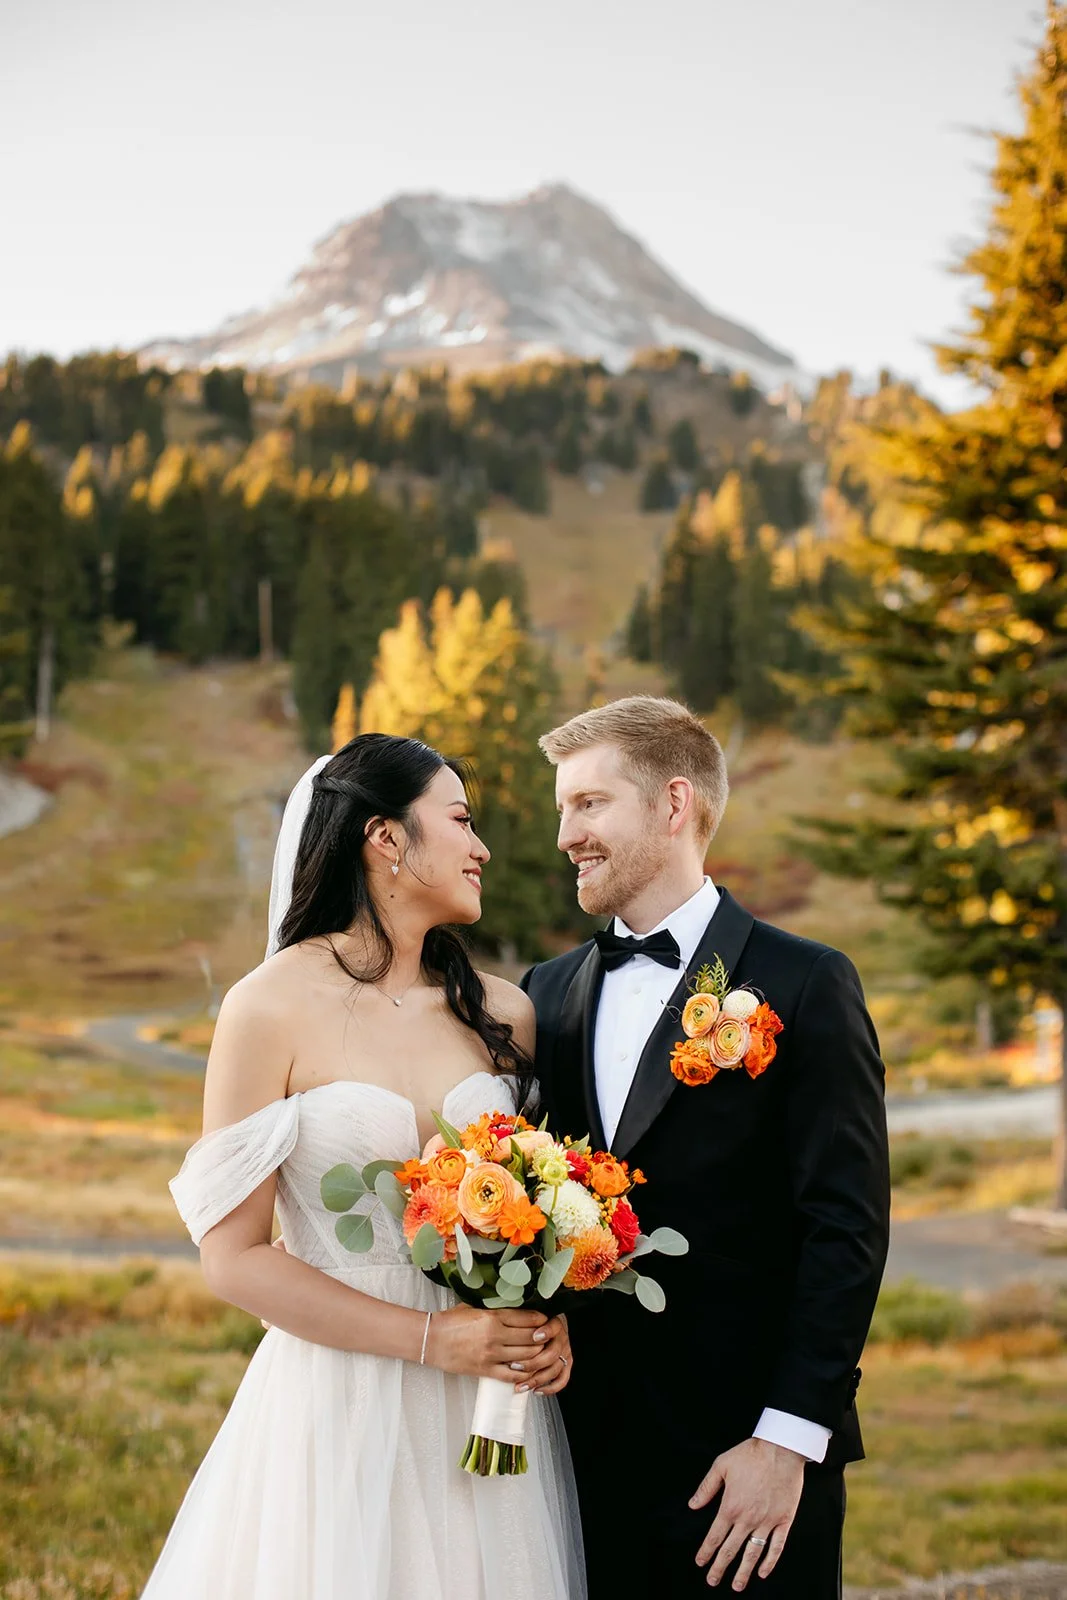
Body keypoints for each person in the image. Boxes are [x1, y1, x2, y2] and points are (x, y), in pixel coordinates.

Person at [141, 733, 584, 1600]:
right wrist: (430, 1340)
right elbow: (233, 1258)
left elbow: (536, 1214)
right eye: (459, 820)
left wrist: (542, 1323)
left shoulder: (504, 1012)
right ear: (385, 838)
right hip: (338, 1397)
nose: (481, 847)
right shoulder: (268, 1005)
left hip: (489, 1402)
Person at [522, 697, 890, 1599]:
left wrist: (786, 1440)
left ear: (673, 803)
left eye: (589, 804)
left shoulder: (803, 983)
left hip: (745, 1472)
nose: (565, 833)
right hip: (575, 1462)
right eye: (562, 808)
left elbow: (844, 1229)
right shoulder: (546, 993)